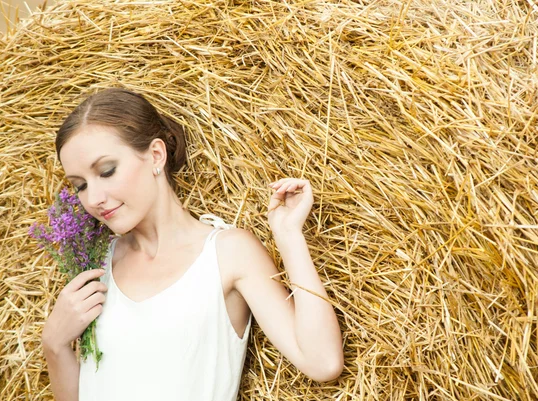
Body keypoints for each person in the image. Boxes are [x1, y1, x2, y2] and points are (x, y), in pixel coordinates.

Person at [40, 88, 343, 401]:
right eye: (80, 186)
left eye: (107, 171)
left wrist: (289, 234)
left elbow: (323, 362)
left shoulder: (227, 254)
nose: (94, 198)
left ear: (156, 155)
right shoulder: (96, 265)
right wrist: (55, 345)